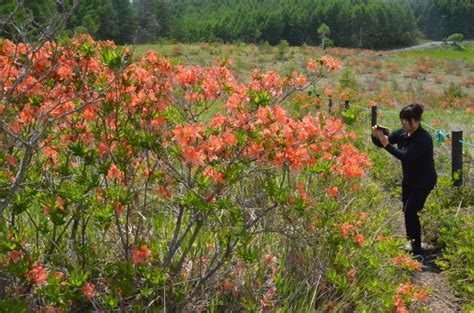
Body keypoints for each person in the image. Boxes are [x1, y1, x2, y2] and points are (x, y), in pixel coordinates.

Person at [372, 103, 437, 255]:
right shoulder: (403, 133)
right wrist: (376, 135)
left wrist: (386, 144)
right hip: (409, 179)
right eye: (402, 120)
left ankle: (416, 246)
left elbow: (405, 157)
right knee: (407, 211)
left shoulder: (423, 139)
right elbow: (384, 142)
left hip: (424, 181)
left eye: (406, 121)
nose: (403, 123)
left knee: (411, 210)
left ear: (416, 121)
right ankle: (411, 243)